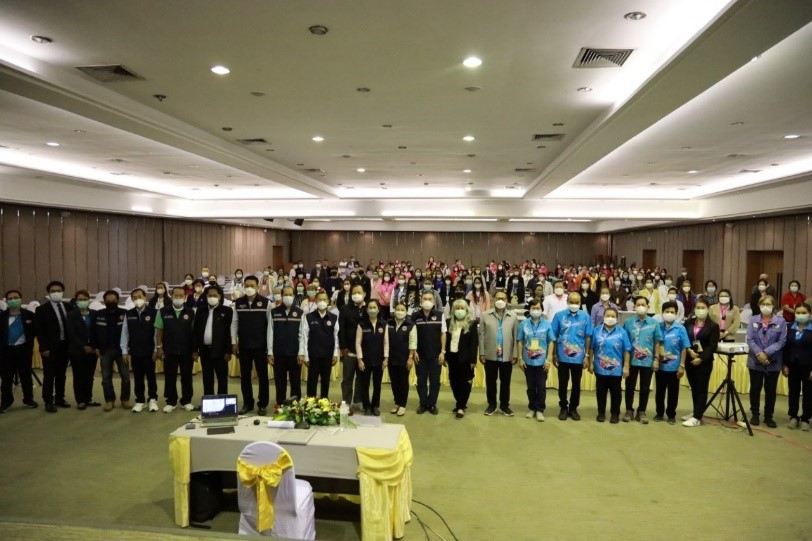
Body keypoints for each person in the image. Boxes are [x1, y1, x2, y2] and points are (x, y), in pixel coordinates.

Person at [231, 275, 273, 415]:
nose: (249, 288)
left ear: (257, 287)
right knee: (245, 376)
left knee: (263, 376)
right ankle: (248, 403)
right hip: (244, 346)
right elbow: (234, 323)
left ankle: (262, 404)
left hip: (261, 346)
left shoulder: (266, 303)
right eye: (247, 286)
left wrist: (269, 348)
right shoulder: (238, 303)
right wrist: (234, 342)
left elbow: (270, 327)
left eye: (252, 286)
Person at [745, 295, 787, 428]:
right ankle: (755, 414)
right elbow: (750, 339)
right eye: (763, 304)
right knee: (755, 389)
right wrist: (759, 353)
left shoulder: (781, 321)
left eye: (768, 304)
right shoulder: (753, 320)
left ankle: (769, 416)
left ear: (773, 306)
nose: (765, 307)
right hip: (755, 360)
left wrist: (766, 353)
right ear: (759, 306)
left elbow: (782, 341)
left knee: (771, 391)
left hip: (773, 362)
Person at [550, 292, 593, 421]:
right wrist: (554, 354)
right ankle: (563, 407)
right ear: (567, 302)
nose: (574, 304)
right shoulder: (559, 316)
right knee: (563, 383)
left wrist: (586, 355)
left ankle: (573, 408)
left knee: (576, 384)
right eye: (572, 302)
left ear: (580, 303)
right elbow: (553, 336)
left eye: (576, 302)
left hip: (579, 357)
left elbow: (588, 337)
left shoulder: (585, 317)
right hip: (562, 356)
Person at [155, 287, 196, 412]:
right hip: (169, 350)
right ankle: (171, 401)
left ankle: (186, 401)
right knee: (170, 377)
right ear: (172, 296)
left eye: (181, 295)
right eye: (176, 295)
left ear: (185, 297)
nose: (178, 298)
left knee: (187, 377)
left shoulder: (190, 312)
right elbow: (159, 331)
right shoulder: (163, 311)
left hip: (186, 350)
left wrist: (195, 350)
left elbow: (194, 332)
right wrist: (159, 347)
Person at [622, 296, 663, 424]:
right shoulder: (628, 323)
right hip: (631, 360)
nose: (641, 307)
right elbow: (624, 342)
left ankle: (641, 411)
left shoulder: (654, 323)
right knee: (629, 387)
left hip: (647, 361)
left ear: (648, 307)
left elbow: (657, 342)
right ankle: (629, 410)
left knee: (645, 388)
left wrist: (656, 359)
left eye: (643, 304)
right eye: (638, 304)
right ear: (634, 307)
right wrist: (625, 363)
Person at [587, 307, 631, 423]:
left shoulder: (622, 332)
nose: (610, 318)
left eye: (613, 316)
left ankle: (615, 414)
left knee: (616, 393)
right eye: (608, 315)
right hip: (600, 368)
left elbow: (627, 350)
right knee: (601, 392)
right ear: (603, 317)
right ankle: (601, 413)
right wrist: (591, 363)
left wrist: (626, 366)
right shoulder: (596, 331)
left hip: (616, 369)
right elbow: (592, 348)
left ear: (617, 318)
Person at [479, 291, 519, 416]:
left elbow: (516, 336)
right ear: (493, 300)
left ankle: (504, 405)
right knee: (491, 382)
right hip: (490, 354)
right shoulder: (485, 315)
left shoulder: (513, 316)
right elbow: (481, 335)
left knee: (505, 382)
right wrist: (482, 352)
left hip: (507, 355)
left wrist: (515, 353)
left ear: (507, 300)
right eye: (498, 298)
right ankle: (491, 404)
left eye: (503, 298)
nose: (500, 300)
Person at [35, 280, 72, 412]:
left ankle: (60, 398)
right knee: (49, 375)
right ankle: (48, 401)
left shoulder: (69, 307)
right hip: (49, 348)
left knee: (62, 374)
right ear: (49, 293)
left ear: (63, 292)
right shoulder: (41, 309)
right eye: (53, 291)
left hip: (65, 346)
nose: (56, 293)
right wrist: (44, 347)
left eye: (58, 291)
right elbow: (39, 330)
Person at [681, 299, 720, 427]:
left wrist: (701, 358)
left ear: (708, 309)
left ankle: (697, 417)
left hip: (704, 362)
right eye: (698, 307)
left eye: (703, 307)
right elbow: (684, 338)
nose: (700, 310)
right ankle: (695, 412)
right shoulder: (688, 322)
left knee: (701, 389)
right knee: (694, 388)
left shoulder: (713, 326)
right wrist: (689, 351)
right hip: (690, 359)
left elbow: (712, 345)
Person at [91, 290, 131, 412]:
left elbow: (130, 332)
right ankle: (109, 400)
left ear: (117, 300)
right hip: (105, 350)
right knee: (106, 377)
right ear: (104, 301)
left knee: (125, 377)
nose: (111, 303)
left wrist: (128, 348)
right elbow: (93, 332)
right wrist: (96, 347)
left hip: (121, 350)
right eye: (108, 301)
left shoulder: (125, 313)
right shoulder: (99, 314)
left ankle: (125, 399)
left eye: (113, 301)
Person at [121, 288, 159, 413]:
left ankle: (152, 399)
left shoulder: (153, 312)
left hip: (149, 351)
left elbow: (156, 333)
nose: (137, 299)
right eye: (135, 298)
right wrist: (124, 351)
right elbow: (125, 333)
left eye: (140, 297)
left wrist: (156, 349)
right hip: (135, 350)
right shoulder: (129, 313)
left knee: (151, 376)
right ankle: (140, 401)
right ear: (132, 299)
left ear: (145, 297)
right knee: (138, 377)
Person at [0, 290, 38, 412]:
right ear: (6, 300)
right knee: (6, 378)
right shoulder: (1, 316)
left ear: (21, 299)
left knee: (26, 376)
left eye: (15, 297)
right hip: (6, 351)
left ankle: (28, 399)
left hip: (24, 350)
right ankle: (6, 401)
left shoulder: (29, 315)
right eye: (10, 298)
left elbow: (35, 331)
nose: (13, 300)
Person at [517, 299, 554, 421]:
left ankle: (539, 410)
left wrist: (549, 358)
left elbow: (551, 341)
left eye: (538, 308)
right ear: (529, 309)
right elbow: (520, 341)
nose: (535, 310)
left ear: (541, 310)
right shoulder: (524, 324)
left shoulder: (547, 324)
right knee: (531, 387)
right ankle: (532, 408)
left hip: (542, 361)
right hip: (528, 360)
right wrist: (520, 358)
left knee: (541, 386)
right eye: (533, 308)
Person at [192, 284, 233, 396]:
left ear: (220, 296)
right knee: (207, 378)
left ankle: (222, 400)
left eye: (215, 295)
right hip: (205, 350)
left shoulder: (227, 311)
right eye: (210, 295)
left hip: (221, 351)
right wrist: (195, 350)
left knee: (222, 379)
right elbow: (196, 331)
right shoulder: (201, 310)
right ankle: (208, 400)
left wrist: (228, 351)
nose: (212, 297)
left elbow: (229, 332)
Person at [655, 301, 691, 424]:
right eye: (667, 311)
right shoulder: (658, 327)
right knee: (660, 392)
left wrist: (682, 365)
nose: (669, 314)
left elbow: (684, 348)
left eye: (672, 312)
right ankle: (659, 413)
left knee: (673, 393)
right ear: (662, 313)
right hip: (660, 366)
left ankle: (671, 415)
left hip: (674, 367)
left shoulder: (680, 328)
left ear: (676, 314)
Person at [299, 291, 339, 398]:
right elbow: (305, 337)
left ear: (328, 301)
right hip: (313, 355)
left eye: (324, 299)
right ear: (316, 301)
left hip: (327, 355)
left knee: (325, 381)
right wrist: (306, 356)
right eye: (320, 299)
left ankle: (324, 401)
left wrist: (335, 354)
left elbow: (336, 337)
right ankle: (310, 402)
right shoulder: (308, 317)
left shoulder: (333, 317)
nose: (322, 301)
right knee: (312, 381)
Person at [269, 286, 304, 405]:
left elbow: (302, 335)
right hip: (278, 353)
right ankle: (280, 404)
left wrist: (301, 352)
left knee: (295, 382)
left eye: (290, 294)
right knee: (280, 382)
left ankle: (295, 406)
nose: (288, 297)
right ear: (282, 296)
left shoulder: (300, 312)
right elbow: (270, 332)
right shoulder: (274, 312)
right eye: (285, 294)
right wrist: (270, 352)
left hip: (294, 354)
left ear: (294, 296)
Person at [65, 290, 100, 410]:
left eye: (85, 299)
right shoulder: (71, 315)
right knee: (79, 376)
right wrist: (84, 346)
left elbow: (97, 332)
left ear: (89, 300)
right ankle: (80, 400)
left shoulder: (94, 314)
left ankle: (88, 399)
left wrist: (94, 347)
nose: (83, 301)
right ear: (75, 301)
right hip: (77, 350)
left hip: (92, 350)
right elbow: (71, 333)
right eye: (80, 299)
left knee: (89, 376)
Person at [413, 290, 446, 414]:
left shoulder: (440, 315)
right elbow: (412, 335)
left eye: (430, 299)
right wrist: (414, 351)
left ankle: (432, 404)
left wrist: (443, 352)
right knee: (421, 381)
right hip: (419, 355)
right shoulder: (415, 316)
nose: (427, 301)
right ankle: (423, 403)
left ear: (434, 301)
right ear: (421, 301)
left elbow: (443, 334)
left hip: (435, 355)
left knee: (434, 381)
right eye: (425, 299)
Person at [446, 299, 479, 419]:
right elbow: (446, 341)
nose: (459, 311)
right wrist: (445, 356)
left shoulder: (472, 324)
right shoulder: (448, 322)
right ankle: (459, 402)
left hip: (466, 359)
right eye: (457, 308)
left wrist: (473, 360)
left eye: (462, 308)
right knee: (453, 382)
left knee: (465, 383)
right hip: (452, 357)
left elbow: (474, 343)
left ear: (466, 310)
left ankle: (461, 406)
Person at [355, 300, 389, 416]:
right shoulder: (362, 324)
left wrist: (386, 358)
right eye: (370, 307)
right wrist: (360, 359)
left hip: (379, 360)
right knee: (365, 385)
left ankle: (375, 406)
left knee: (377, 385)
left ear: (378, 309)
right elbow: (358, 343)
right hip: (365, 360)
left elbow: (386, 342)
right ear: (367, 310)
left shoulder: (384, 324)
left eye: (375, 307)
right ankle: (367, 406)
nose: (372, 310)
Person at [338, 284, 367, 411]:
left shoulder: (370, 307)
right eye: (354, 292)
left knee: (361, 378)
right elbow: (341, 329)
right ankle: (346, 401)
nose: (356, 295)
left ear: (364, 294)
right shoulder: (345, 309)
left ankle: (358, 400)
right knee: (347, 378)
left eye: (359, 292)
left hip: (364, 350)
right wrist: (343, 347)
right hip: (349, 349)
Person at [783, 303, 811, 430]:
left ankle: (806, 418)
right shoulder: (789, 327)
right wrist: (784, 364)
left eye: (804, 312)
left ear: (809, 314)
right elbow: (786, 348)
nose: (801, 315)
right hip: (792, 365)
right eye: (798, 312)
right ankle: (793, 416)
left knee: (808, 393)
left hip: (808, 367)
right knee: (793, 392)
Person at [387, 301, 416, 416]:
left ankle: (402, 405)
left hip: (404, 358)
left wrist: (410, 358)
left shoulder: (411, 325)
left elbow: (413, 343)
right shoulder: (389, 323)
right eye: (398, 309)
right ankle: (397, 402)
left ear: (406, 311)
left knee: (403, 382)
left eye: (402, 310)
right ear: (394, 311)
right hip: (391, 358)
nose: (400, 312)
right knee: (394, 382)